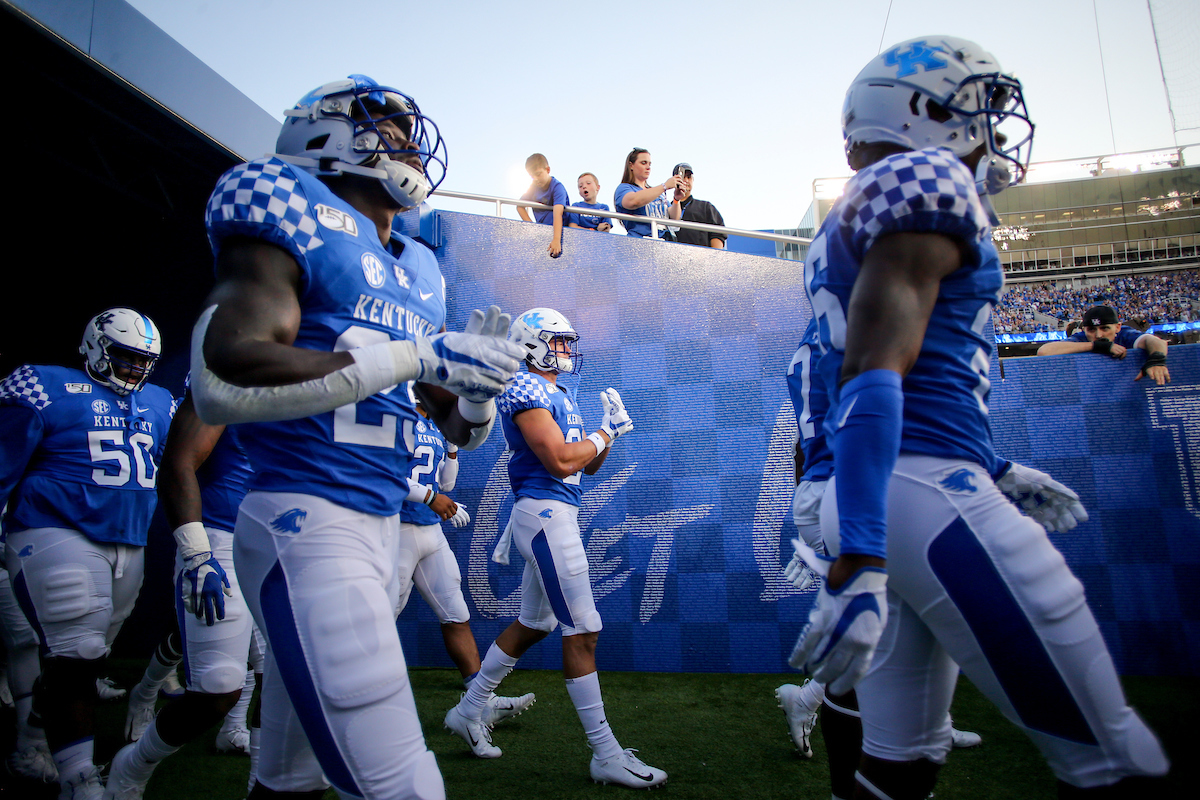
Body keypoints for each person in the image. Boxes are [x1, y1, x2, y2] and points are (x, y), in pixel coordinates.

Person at [788, 36, 1169, 799]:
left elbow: (877, 366)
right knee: (1116, 759)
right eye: (982, 105)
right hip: (916, 489)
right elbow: (873, 369)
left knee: (901, 763)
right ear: (926, 111)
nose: (997, 124)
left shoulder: (858, 209)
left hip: (872, 482)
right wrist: (861, 555)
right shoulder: (927, 175)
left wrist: (994, 465)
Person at [189, 74, 523, 800]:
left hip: (378, 522)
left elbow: (452, 427)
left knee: (287, 777)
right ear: (323, 133)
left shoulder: (423, 266)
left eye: (406, 128)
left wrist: (476, 399)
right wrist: (417, 356)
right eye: (385, 124)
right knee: (404, 785)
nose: (405, 141)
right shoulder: (287, 205)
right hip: (306, 519)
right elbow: (227, 371)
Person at [442, 308, 667, 789]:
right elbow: (562, 460)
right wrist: (600, 435)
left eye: (568, 342)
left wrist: (609, 431)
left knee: (536, 622)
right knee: (583, 630)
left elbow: (588, 466)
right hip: (544, 515)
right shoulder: (525, 387)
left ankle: (469, 707)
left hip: (554, 513)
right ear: (532, 345)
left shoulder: (560, 391)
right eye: (559, 342)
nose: (567, 351)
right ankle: (605, 753)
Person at [775, 320, 979, 800]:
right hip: (856, 488)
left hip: (834, 487)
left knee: (890, 625)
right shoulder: (861, 335)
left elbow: (806, 447)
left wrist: (814, 500)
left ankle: (823, 714)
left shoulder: (819, 342)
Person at [1, 309, 175, 800]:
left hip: (128, 539)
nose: (136, 371)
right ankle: (80, 780)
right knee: (76, 652)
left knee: (82, 661)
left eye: (145, 362)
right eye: (125, 358)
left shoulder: (159, 401)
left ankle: (29, 747)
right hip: (56, 529)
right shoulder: (43, 386)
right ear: (96, 347)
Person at [104, 387, 266, 799]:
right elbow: (178, 463)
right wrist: (197, 553)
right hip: (222, 536)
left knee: (281, 680)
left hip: (281, 544)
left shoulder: (323, 385)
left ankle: (258, 789)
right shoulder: (231, 375)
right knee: (217, 688)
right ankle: (133, 764)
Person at [396, 400, 536, 722]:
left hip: (430, 531)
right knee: (381, 616)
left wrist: (452, 449)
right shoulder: (397, 417)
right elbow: (383, 477)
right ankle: (352, 696)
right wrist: (432, 498)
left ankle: (479, 699)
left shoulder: (433, 424)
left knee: (455, 612)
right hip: (397, 529)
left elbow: (446, 485)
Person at [1036, 304, 1171, 385]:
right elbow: (1044, 351)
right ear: (1084, 329)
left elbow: (1153, 341)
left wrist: (1157, 359)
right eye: (1092, 330)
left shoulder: (1124, 334)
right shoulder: (1082, 337)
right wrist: (1095, 346)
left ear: (1117, 327)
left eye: (1105, 328)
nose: (1099, 335)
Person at [613, 148, 681, 239]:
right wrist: (664, 186)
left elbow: (674, 218)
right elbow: (633, 201)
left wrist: (676, 199)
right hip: (639, 242)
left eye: (649, 164)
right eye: (643, 163)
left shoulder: (656, 192)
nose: (648, 167)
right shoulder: (624, 188)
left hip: (663, 242)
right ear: (631, 165)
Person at [516, 153, 569, 258]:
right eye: (532, 176)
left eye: (538, 174)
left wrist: (556, 239)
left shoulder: (557, 187)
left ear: (548, 170)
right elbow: (519, 206)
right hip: (542, 231)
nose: (535, 179)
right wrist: (531, 226)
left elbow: (558, 213)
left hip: (560, 231)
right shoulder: (533, 187)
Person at [670, 163, 726, 249]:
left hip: (700, 258)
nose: (686, 180)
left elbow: (718, 233)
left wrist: (715, 258)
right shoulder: (667, 207)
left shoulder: (705, 207)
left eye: (689, 177)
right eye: (683, 177)